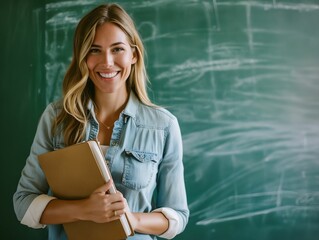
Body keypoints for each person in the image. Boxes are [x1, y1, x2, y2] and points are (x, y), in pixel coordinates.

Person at [13, 3, 189, 240]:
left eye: (117, 49)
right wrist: (84, 209)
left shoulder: (164, 125)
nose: (107, 62)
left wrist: (130, 218)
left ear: (134, 55)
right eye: (95, 50)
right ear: (82, 57)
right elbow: (24, 204)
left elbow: (177, 216)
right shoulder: (56, 118)